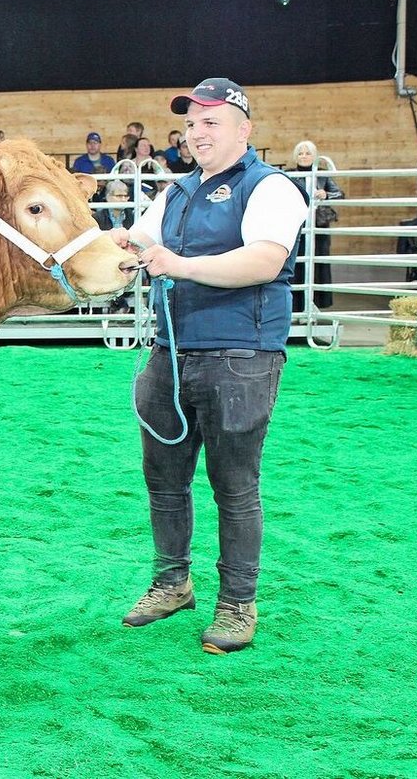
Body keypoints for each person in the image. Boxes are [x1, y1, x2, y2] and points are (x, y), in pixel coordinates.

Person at [112, 77, 307, 655]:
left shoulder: (271, 188)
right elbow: (139, 239)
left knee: (235, 485)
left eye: (211, 122)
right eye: (192, 124)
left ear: (244, 129)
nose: (197, 133)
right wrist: (120, 245)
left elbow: (265, 261)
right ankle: (172, 583)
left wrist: (180, 264)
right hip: (169, 352)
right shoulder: (176, 191)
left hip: (241, 355)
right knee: (163, 479)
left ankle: (237, 603)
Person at [290, 140, 342, 310]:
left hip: (318, 226)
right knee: (295, 263)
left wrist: (326, 194)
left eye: (307, 153)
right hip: (295, 226)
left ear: (315, 156)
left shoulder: (322, 175)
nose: (304, 156)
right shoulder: (288, 175)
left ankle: (316, 304)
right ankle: (295, 306)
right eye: (300, 153)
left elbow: (340, 194)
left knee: (318, 262)